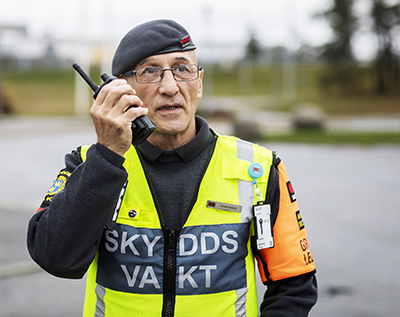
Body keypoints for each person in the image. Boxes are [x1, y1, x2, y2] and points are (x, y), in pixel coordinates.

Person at [27, 19, 317, 317]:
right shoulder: (90, 163)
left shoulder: (259, 168)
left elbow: (294, 283)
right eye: (150, 71)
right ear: (120, 90)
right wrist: (108, 154)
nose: (169, 87)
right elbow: (56, 259)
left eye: (182, 69)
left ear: (199, 82)